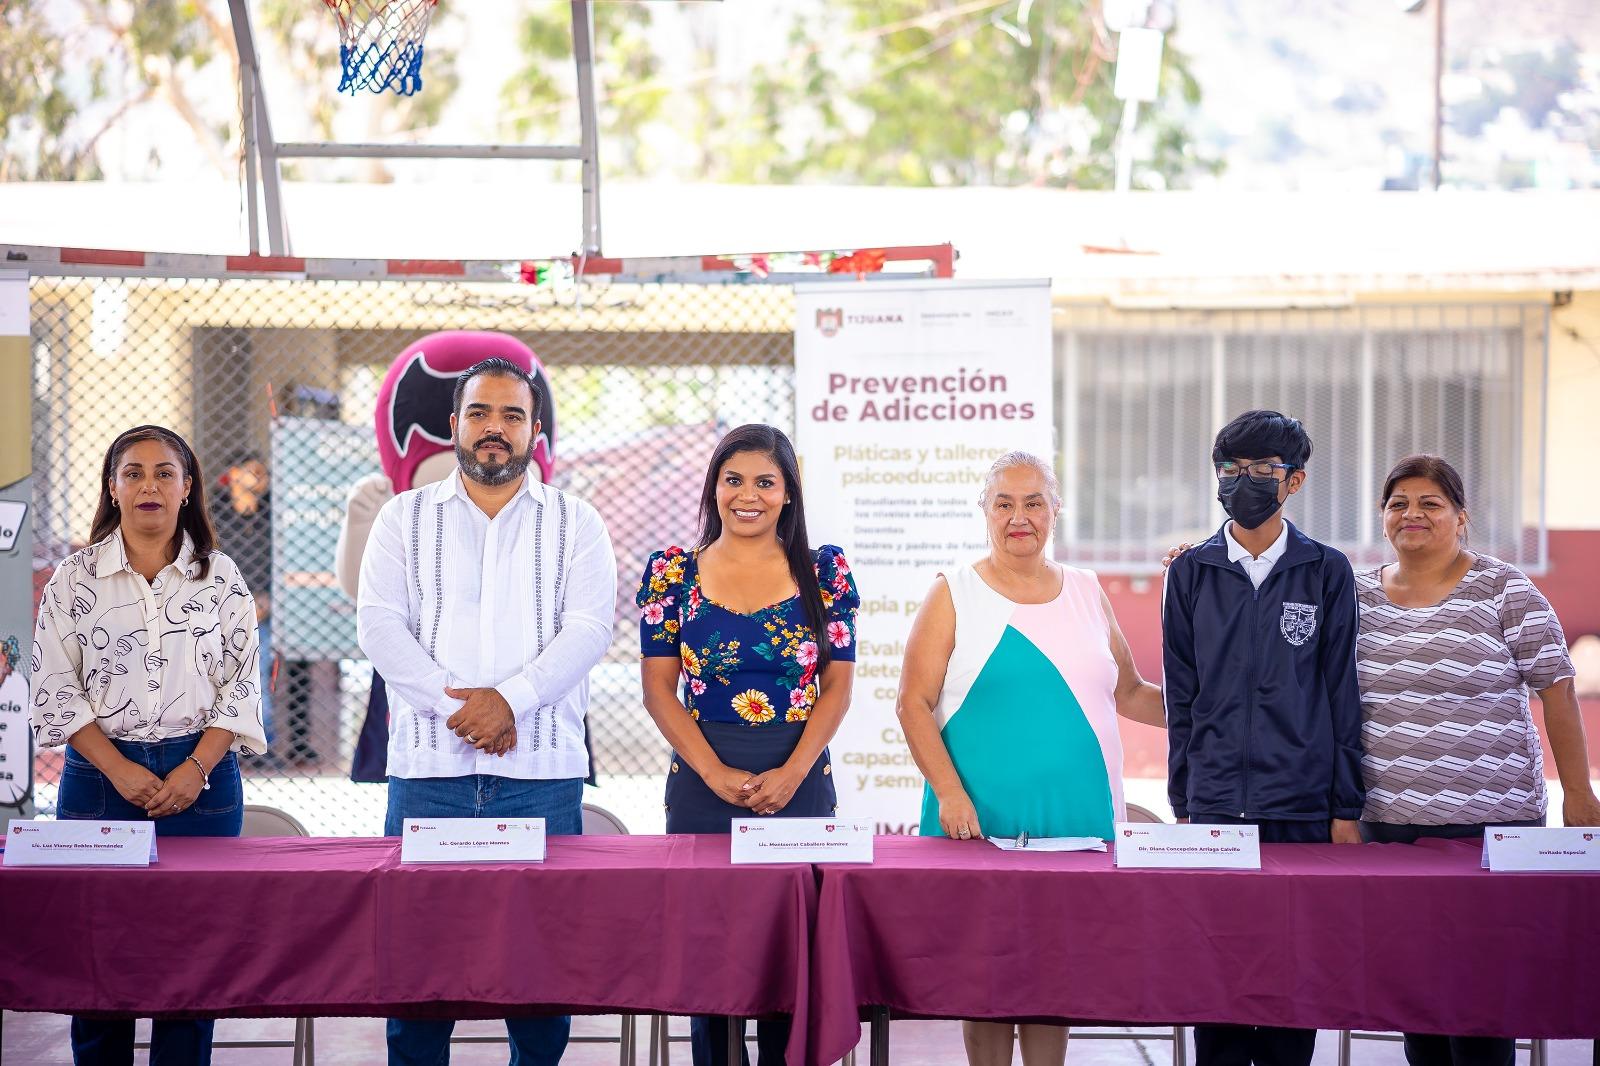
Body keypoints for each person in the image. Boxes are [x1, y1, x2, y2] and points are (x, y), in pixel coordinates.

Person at [357, 357, 615, 1066]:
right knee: (419, 975)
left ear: (536, 431)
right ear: (453, 427)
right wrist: (463, 711)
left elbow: (590, 629)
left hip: (541, 775)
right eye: (480, 414)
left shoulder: (577, 523)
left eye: (511, 415)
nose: (494, 429)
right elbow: (379, 627)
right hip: (429, 775)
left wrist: (512, 703)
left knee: (537, 973)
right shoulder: (403, 519)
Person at [895, 450, 1165, 1066]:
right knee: (986, 988)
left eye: (1034, 501)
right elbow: (913, 703)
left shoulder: (1088, 590)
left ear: (1056, 509)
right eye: (1005, 503)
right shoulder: (953, 592)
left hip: (1078, 821)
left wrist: (1215, 710)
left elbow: (1130, 693)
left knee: (1054, 985)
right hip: (980, 824)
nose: (1020, 517)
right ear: (985, 513)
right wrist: (950, 793)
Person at [31, 424, 265, 1066]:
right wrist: (117, 770)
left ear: (187, 489)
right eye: (133, 473)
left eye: (165, 473)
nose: (149, 485)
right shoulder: (75, 580)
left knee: (192, 963)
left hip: (204, 783)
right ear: (113, 487)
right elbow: (53, 685)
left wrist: (195, 766)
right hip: (98, 780)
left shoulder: (221, 578)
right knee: (99, 958)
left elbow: (243, 681)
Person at [1355, 454, 1598, 1066]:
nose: (1412, 514)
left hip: (1493, 826)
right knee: (1417, 989)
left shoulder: (1503, 587)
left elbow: (1557, 691)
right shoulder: (1357, 595)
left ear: (1461, 518)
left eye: (1430, 504)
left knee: (1485, 990)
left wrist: (1578, 791)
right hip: (1388, 823)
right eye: (1398, 504)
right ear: (1383, 517)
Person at [637, 423, 859, 1066]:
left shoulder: (826, 570)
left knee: (791, 962)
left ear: (789, 493)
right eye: (733, 480)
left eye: (766, 481)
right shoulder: (671, 572)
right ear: (714, 488)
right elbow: (659, 690)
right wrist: (711, 773)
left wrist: (791, 774)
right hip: (703, 787)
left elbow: (837, 690)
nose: (748, 495)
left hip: (799, 779)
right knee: (712, 963)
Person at [1161, 410, 1364, 1066]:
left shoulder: (1326, 571)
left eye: (1259, 471)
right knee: (1214, 977)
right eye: (1229, 469)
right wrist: (1184, 797)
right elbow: (1181, 695)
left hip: (1301, 807)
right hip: (1215, 803)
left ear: (1295, 481)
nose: (1240, 482)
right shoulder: (1190, 572)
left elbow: (1340, 691)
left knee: (1289, 978)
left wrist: (1344, 806)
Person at [209, 451, 277, 758]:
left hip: (265, 606)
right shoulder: (215, 516)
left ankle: (262, 740)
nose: (262, 478)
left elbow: (275, 561)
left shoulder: (271, 516)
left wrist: (267, 597)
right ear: (234, 474)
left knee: (260, 671)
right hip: (223, 608)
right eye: (253, 471)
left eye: (264, 472)